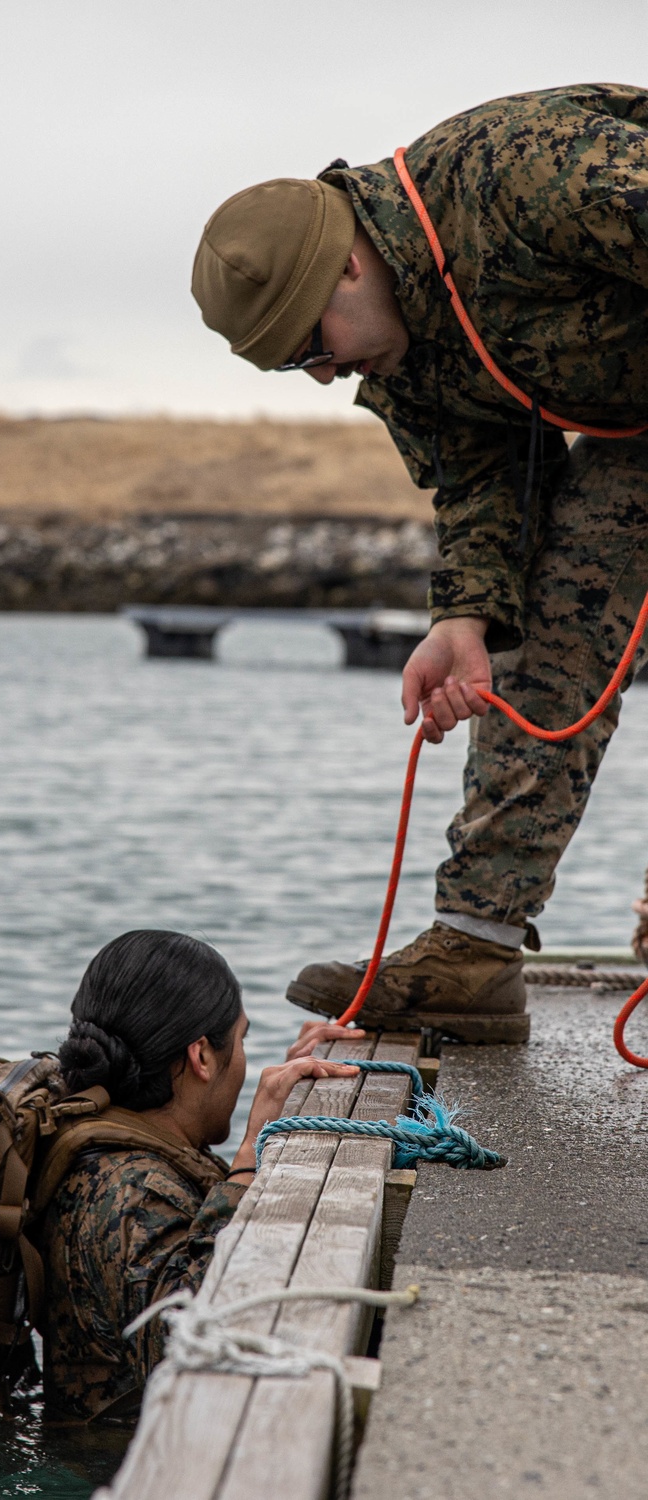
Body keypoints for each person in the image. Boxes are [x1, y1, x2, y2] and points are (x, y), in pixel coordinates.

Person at [191, 83, 648, 1043]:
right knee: (562, 605)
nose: (322, 374)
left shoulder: (524, 173)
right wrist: (466, 619)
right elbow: (485, 481)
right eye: (292, 369)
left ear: (351, 265)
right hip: (633, 431)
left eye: (311, 346)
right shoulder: (395, 350)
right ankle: (473, 951)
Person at [39, 928, 362, 1422]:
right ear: (202, 1057)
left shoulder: (121, 1151)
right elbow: (194, 1342)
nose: (246, 1062)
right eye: (240, 1041)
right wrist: (253, 1151)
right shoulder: (127, 1189)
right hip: (121, 1466)